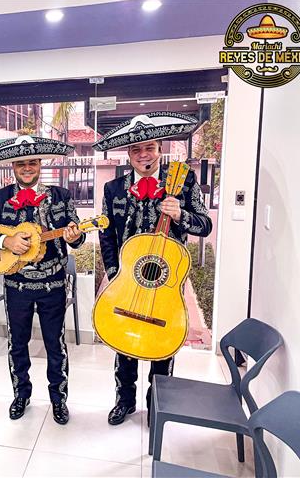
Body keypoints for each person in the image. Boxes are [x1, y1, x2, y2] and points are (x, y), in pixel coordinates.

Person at [93, 112, 213, 426]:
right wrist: (115, 272)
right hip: (127, 277)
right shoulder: (113, 188)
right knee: (124, 339)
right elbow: (106, 233)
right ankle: (125, 400)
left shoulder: (182, 180)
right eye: (135, 150)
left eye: (148, 147)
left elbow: (204, 224)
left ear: (159, 146)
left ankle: (158, 403)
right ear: (128, 154)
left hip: (166, 279)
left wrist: (181, 215)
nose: (143, 154)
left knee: (164, 342)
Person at [0, 135, 84, 425]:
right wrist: (5, 240)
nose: (27, 168)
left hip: (53, 285)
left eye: (32, 162)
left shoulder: (61, 196)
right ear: (13, 166)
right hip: (16, 285)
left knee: (55, 344)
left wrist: (76, 235)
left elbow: (78, 239)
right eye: (21, 163)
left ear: (40, 163)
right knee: (17, 342)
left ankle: (59, 399)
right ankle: (21, 394)